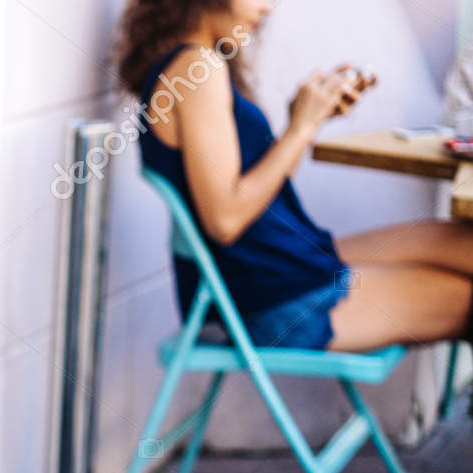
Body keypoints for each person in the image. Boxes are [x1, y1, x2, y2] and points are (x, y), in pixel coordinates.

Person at [118, 0, 473, 352]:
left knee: (464, 243)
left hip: (285, 265)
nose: (268, 7)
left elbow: (257, 194)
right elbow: (226, 220)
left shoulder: (195, 64)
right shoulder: (196, 68)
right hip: (274, 299)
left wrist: (307, 120)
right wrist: (299, 129)